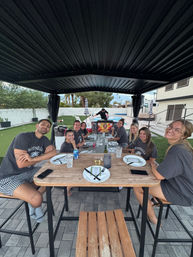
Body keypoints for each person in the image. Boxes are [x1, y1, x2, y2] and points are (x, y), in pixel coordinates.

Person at [133, 120, 193, 224]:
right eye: (171, 126)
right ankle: (153, 201)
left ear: (183, 136)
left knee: (137, 186)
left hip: (183, 193)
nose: (170, 129)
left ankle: (153, 219)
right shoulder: (182, 147)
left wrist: (152, 166)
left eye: (177, 130)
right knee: (146, 179)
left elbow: (159, 175)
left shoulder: (178, 151)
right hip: (178, 184)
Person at [0, 119, 57, 223]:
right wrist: (43, 157)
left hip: (28, 173)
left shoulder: (44, 140)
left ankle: (30, 197)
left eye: (48, 126)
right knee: (37, 199)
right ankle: (34, 203)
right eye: (43, 124)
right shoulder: (23, 137)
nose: (45, 126)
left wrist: (33, 159)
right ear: (36, 126)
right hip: (8, 177)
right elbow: (21, 164)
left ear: (49, 130)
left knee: (51, 176)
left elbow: (54, 152)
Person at [60, 130, 78, 196]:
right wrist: (74, 145)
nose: (71, 137)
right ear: (65, 136)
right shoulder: (65, 145)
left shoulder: (69, 142)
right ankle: (67, 189)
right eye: (69, 135)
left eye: (72, 135)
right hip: (64, 165)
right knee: (79, 174)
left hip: (68, 161)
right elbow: (76, 155)